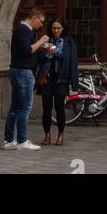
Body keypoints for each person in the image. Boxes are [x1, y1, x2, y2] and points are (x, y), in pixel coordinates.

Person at [4, 6, 50, 150]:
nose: (41, 25)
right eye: (41, 21)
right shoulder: (24, 30)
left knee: (15, 108)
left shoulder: (21, 30)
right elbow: (27, 51)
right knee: (25, 108)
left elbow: (27, 49)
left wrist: (41, 47)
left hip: (16, 71)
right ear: (34, 18)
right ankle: (22, 141)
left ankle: (9, 140)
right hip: (24, 72)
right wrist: (42, 41)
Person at [36, 17, 80, 146]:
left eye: (58, 28)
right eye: (54, 28)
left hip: (62, 79)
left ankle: (60, 135)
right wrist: (45, 51)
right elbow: (38, 58)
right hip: (47, 78)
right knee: (47, 108)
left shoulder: (69, 42)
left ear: (63, 28)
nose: (56, 30)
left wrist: (74, 82)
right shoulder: (46, 40)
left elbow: (71, 61)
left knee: (60, 108)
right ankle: (47, 135)